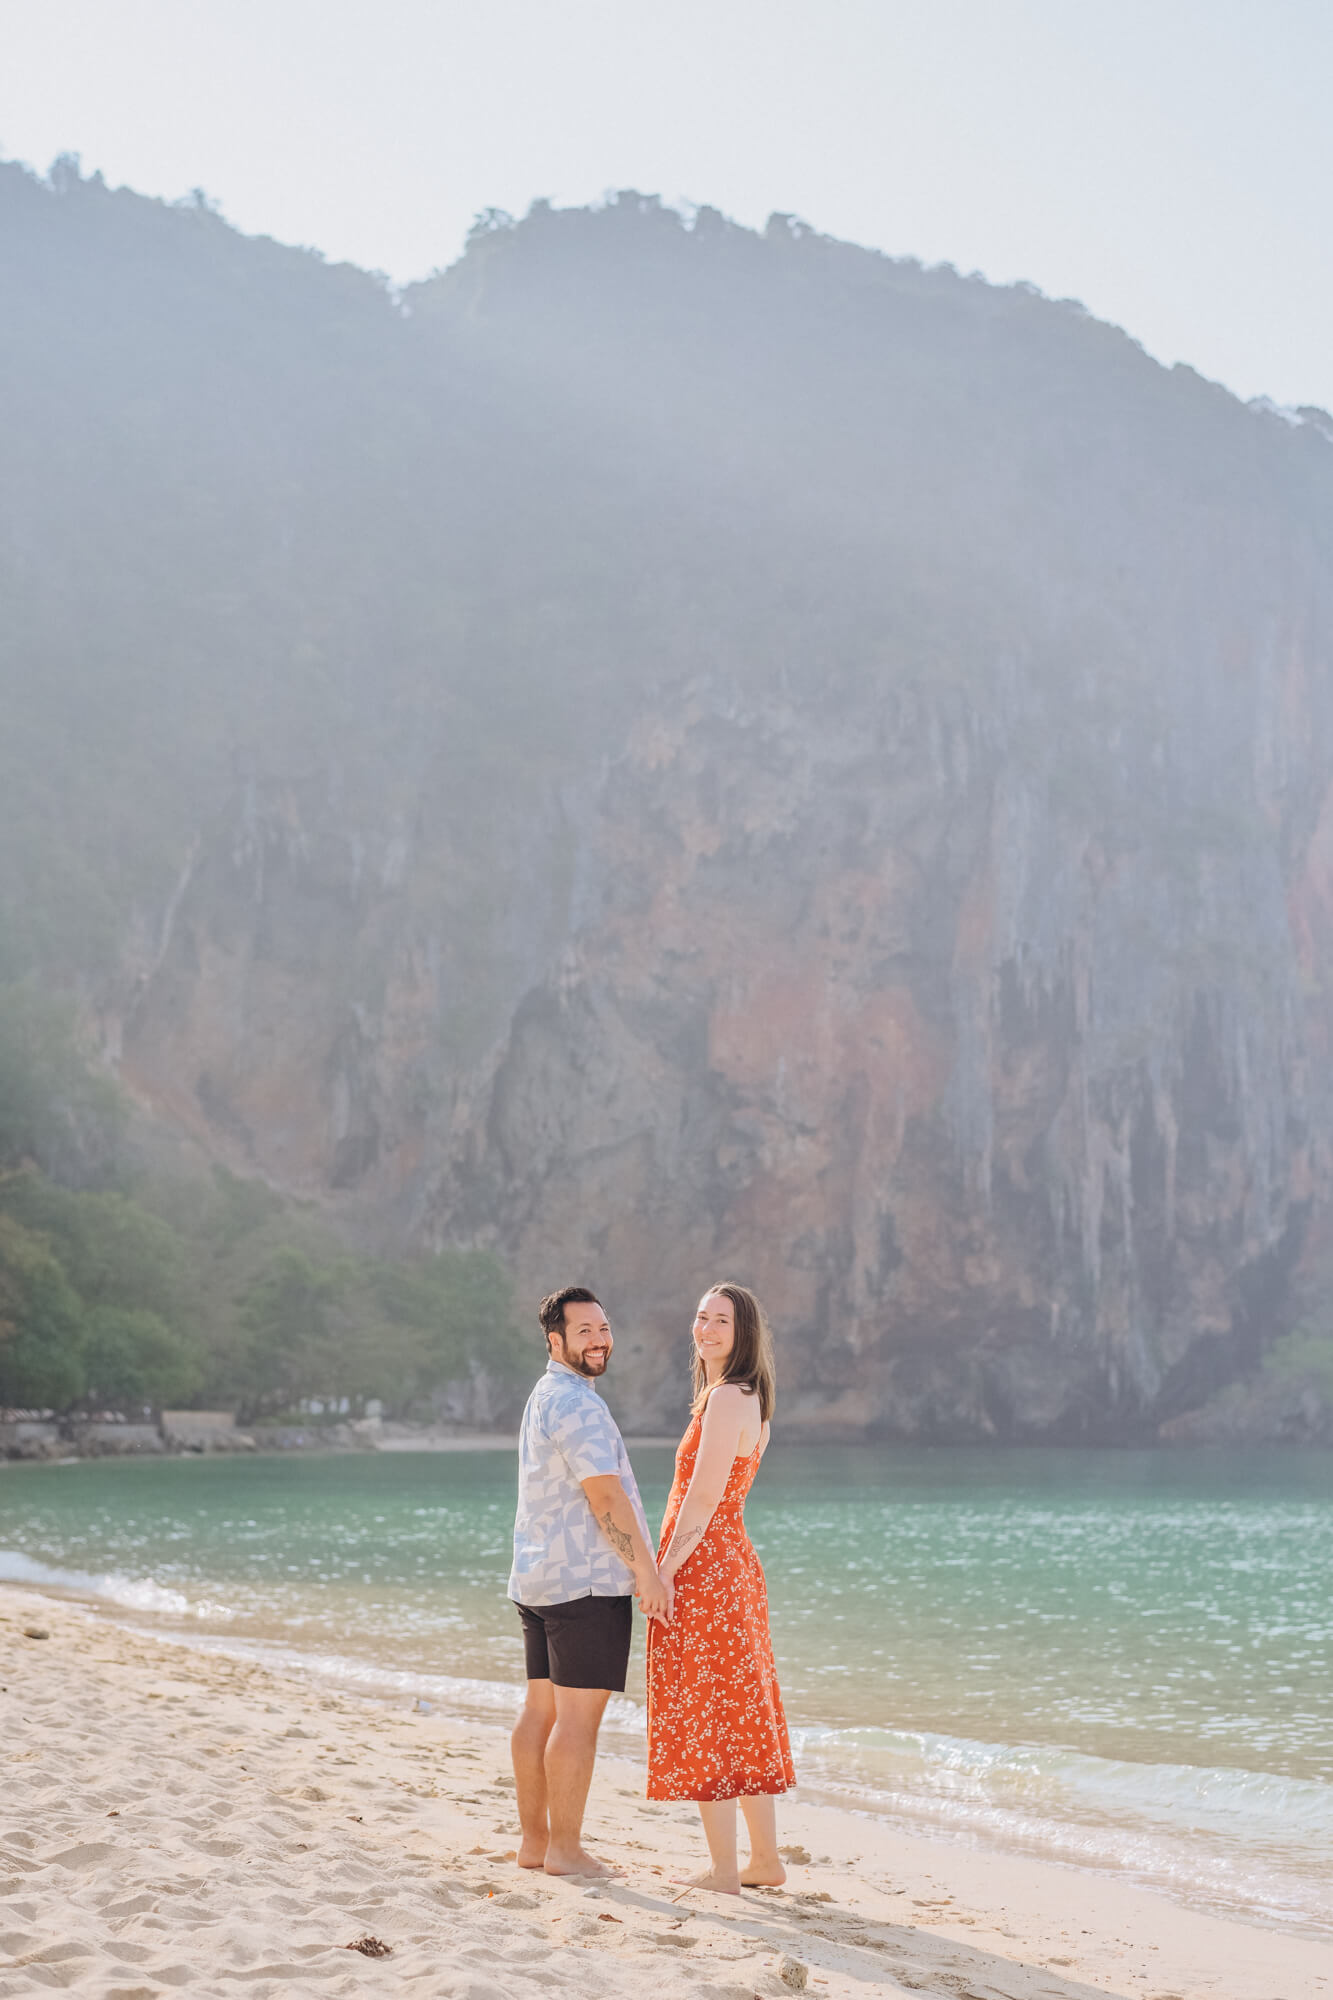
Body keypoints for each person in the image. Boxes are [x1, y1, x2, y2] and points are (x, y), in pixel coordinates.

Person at [508, 1285, 670, 1876]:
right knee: (576, 1722)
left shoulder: (545, 1394)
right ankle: (565, 1851)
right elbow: (604, 1493)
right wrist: (645, 1571)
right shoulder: (577, 1403)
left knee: (540, 1713)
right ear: (556, 1341)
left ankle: (534, 1843)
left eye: (603, 1327)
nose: (599, 1339)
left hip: (537, 1578)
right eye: (584, 1331)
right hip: (584, 1584)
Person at [646, 1281, 795, 1893]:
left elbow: (703, 1496)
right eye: (702, 1318)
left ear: (743, 1335)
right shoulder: (743, 1395)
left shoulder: (727, 1398)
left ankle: (725, 1870)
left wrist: (663, 1572)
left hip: (707, 1568)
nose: (706, 1330)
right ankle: (764, 1861)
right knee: (740, 1706)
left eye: (722, 1322)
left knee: (711, 1707)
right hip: (729, 1565)